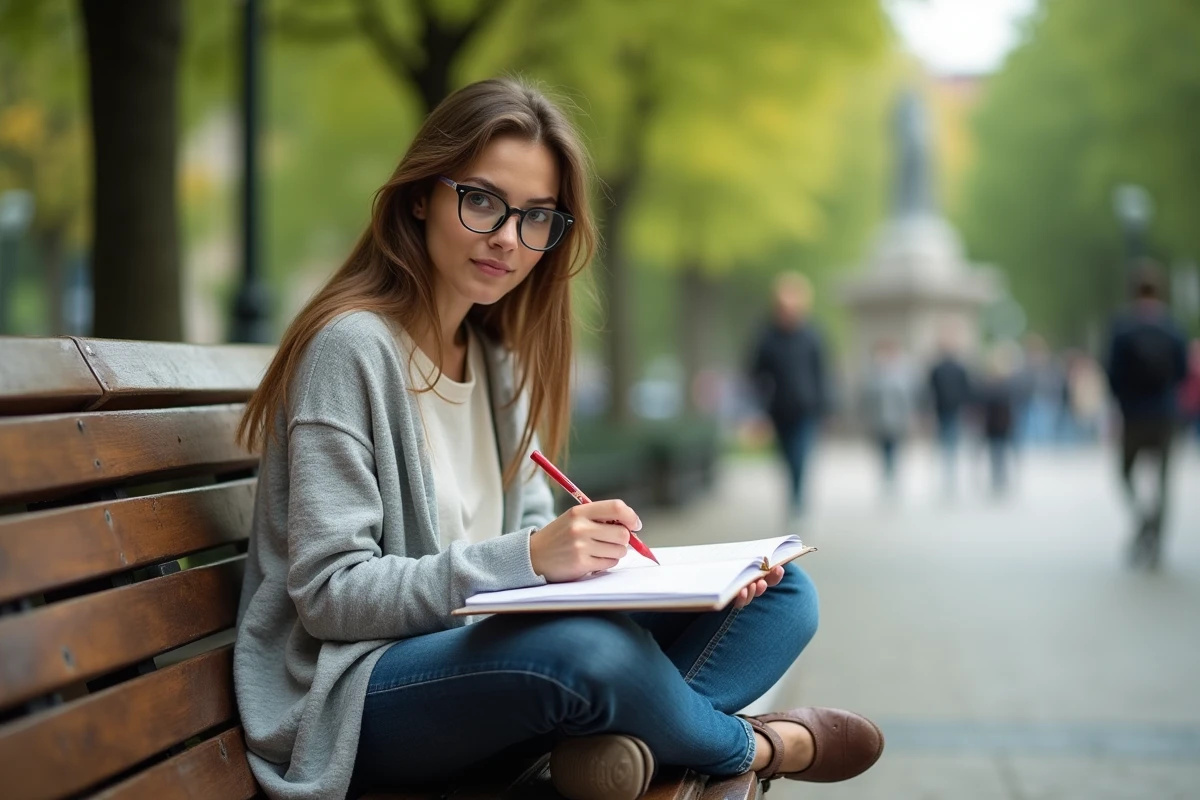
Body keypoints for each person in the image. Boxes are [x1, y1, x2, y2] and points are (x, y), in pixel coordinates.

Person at [233, 79, 883, 800]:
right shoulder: (350, 350)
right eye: (482, 200)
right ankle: (755, 746)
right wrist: (529, 560)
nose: (508, 238)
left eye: (537, 217)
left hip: (487, 670)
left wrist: (614, 568)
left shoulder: (496, 360)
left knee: (780, 591)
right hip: (355, 697)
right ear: (420, 195)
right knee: (588, 654)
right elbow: (331, 594)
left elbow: (535, 534)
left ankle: (612, 746)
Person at [1104, 262, 1189, 569]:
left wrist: (1120, 403)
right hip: (1166, 413)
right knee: (1164, 482)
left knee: (1125, 474)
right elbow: (1182, 372)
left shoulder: (1122, 327)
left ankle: (1143, 521)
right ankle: (1157, 541)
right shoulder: (1173, 327)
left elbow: (1111, 372)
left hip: (1133, 414)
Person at [749, 272, 829, 529]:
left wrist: (825, 405)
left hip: (806, 409)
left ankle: (798, 503)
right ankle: (793, 499)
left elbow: (822, 373)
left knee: (801, 456)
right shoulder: (767, 337)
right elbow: (755, 374)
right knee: (786, 458)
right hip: (779, 411)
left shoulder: (812, 335)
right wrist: (759, 410)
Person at [861, 339, 915, 498]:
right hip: (878, 420)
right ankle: (886, 475)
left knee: (894, 449)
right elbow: (865, 398)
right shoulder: (872, 374)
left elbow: (907, 398)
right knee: (882, 450)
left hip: (897, 420)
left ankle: (892, 477)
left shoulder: (902, 373)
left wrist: (910, 416)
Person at [928, 332, 972, 494]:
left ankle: (950, 474)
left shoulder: (957, 368)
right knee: (946, 442)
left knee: (950, 442)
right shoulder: (938, 369)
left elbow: (966, 390)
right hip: (943, 411)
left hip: (953, 410)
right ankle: (947, 474)